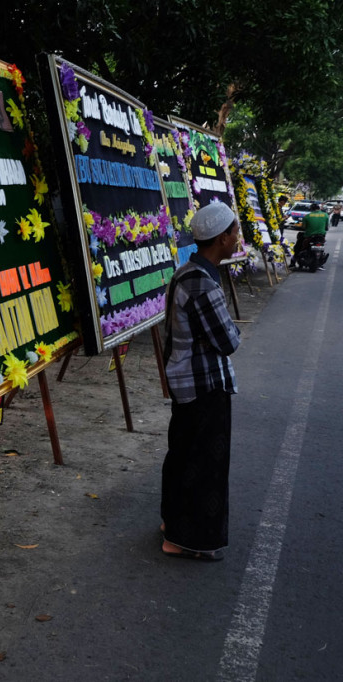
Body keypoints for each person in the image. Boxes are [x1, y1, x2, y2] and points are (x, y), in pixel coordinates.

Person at [161, 202, 242, 562]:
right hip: (203, 385)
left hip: (188, 382)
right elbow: (228, 341)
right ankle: (185, 540)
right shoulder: (202, 284)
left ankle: (172, 525)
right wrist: (233, 331)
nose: (237, 239)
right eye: (235, 233)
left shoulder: (188, 272)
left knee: (183, 455)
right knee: (204, 465)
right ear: (222, 238)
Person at [291, 202, 329, 269]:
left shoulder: (307, 216)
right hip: (321, 237)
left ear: (311, 209)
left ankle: (293, 262)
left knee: (297, 247)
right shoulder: (325, 215)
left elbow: (303, 227)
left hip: (309, 236)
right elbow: (326, 227)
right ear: (319, 208)